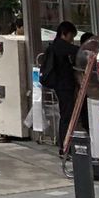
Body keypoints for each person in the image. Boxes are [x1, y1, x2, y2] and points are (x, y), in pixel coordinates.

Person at [42, 20, 80, 151]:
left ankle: (64, 145)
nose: (72, 40)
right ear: (64, 34)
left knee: (65, 114)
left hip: (60, 86)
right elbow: (79, 51)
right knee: (67, 115)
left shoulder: (54, 45)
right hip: (64, 86)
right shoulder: (61, 46)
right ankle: (65, 146)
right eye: (71, 36)